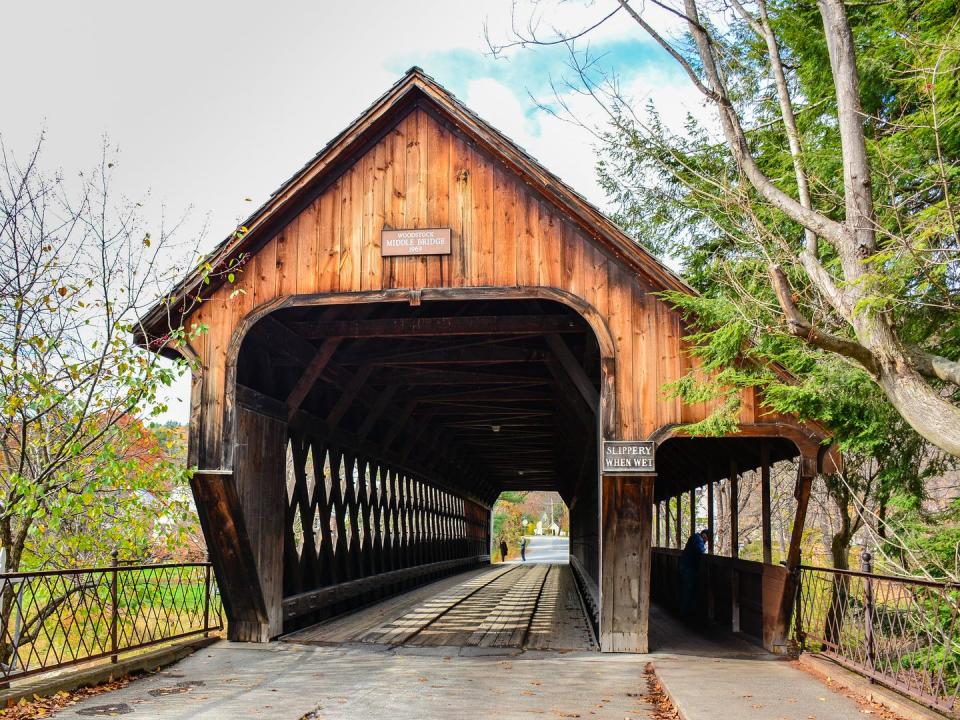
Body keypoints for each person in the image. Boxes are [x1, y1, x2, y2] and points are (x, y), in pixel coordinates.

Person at [679, 528, 710, 620]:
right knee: (688, 591)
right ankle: (685, 615)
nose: (706, 541)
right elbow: (700, 551)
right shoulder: (698, 539)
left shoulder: (694, 537)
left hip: (685, 566)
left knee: (686, 591)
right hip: (689, 568)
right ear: (704, 535)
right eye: (707, 539)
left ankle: (685, 613)